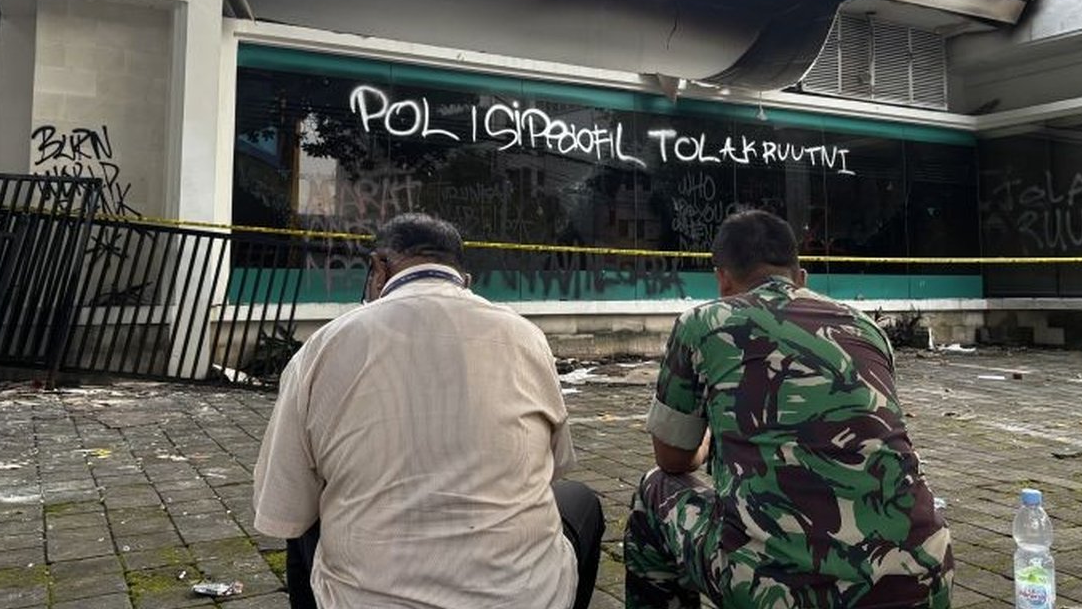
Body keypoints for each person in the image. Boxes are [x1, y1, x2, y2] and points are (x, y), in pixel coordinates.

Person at [254, 212, 604, 609]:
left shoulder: (325, 346)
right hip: (523, 598)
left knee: (306, 509)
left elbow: (284, 507)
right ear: (464, 281)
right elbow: (554, 466)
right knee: (580, 501)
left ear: (378, 267)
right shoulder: (526, 337)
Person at [624, 209, 953, 609]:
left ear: (722, 279)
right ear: (802, 278)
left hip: (776, 591)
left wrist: (710, 443)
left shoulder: (701, 322)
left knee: (654, 489)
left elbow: (672, 458)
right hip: (920, 577)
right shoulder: (867, 329)